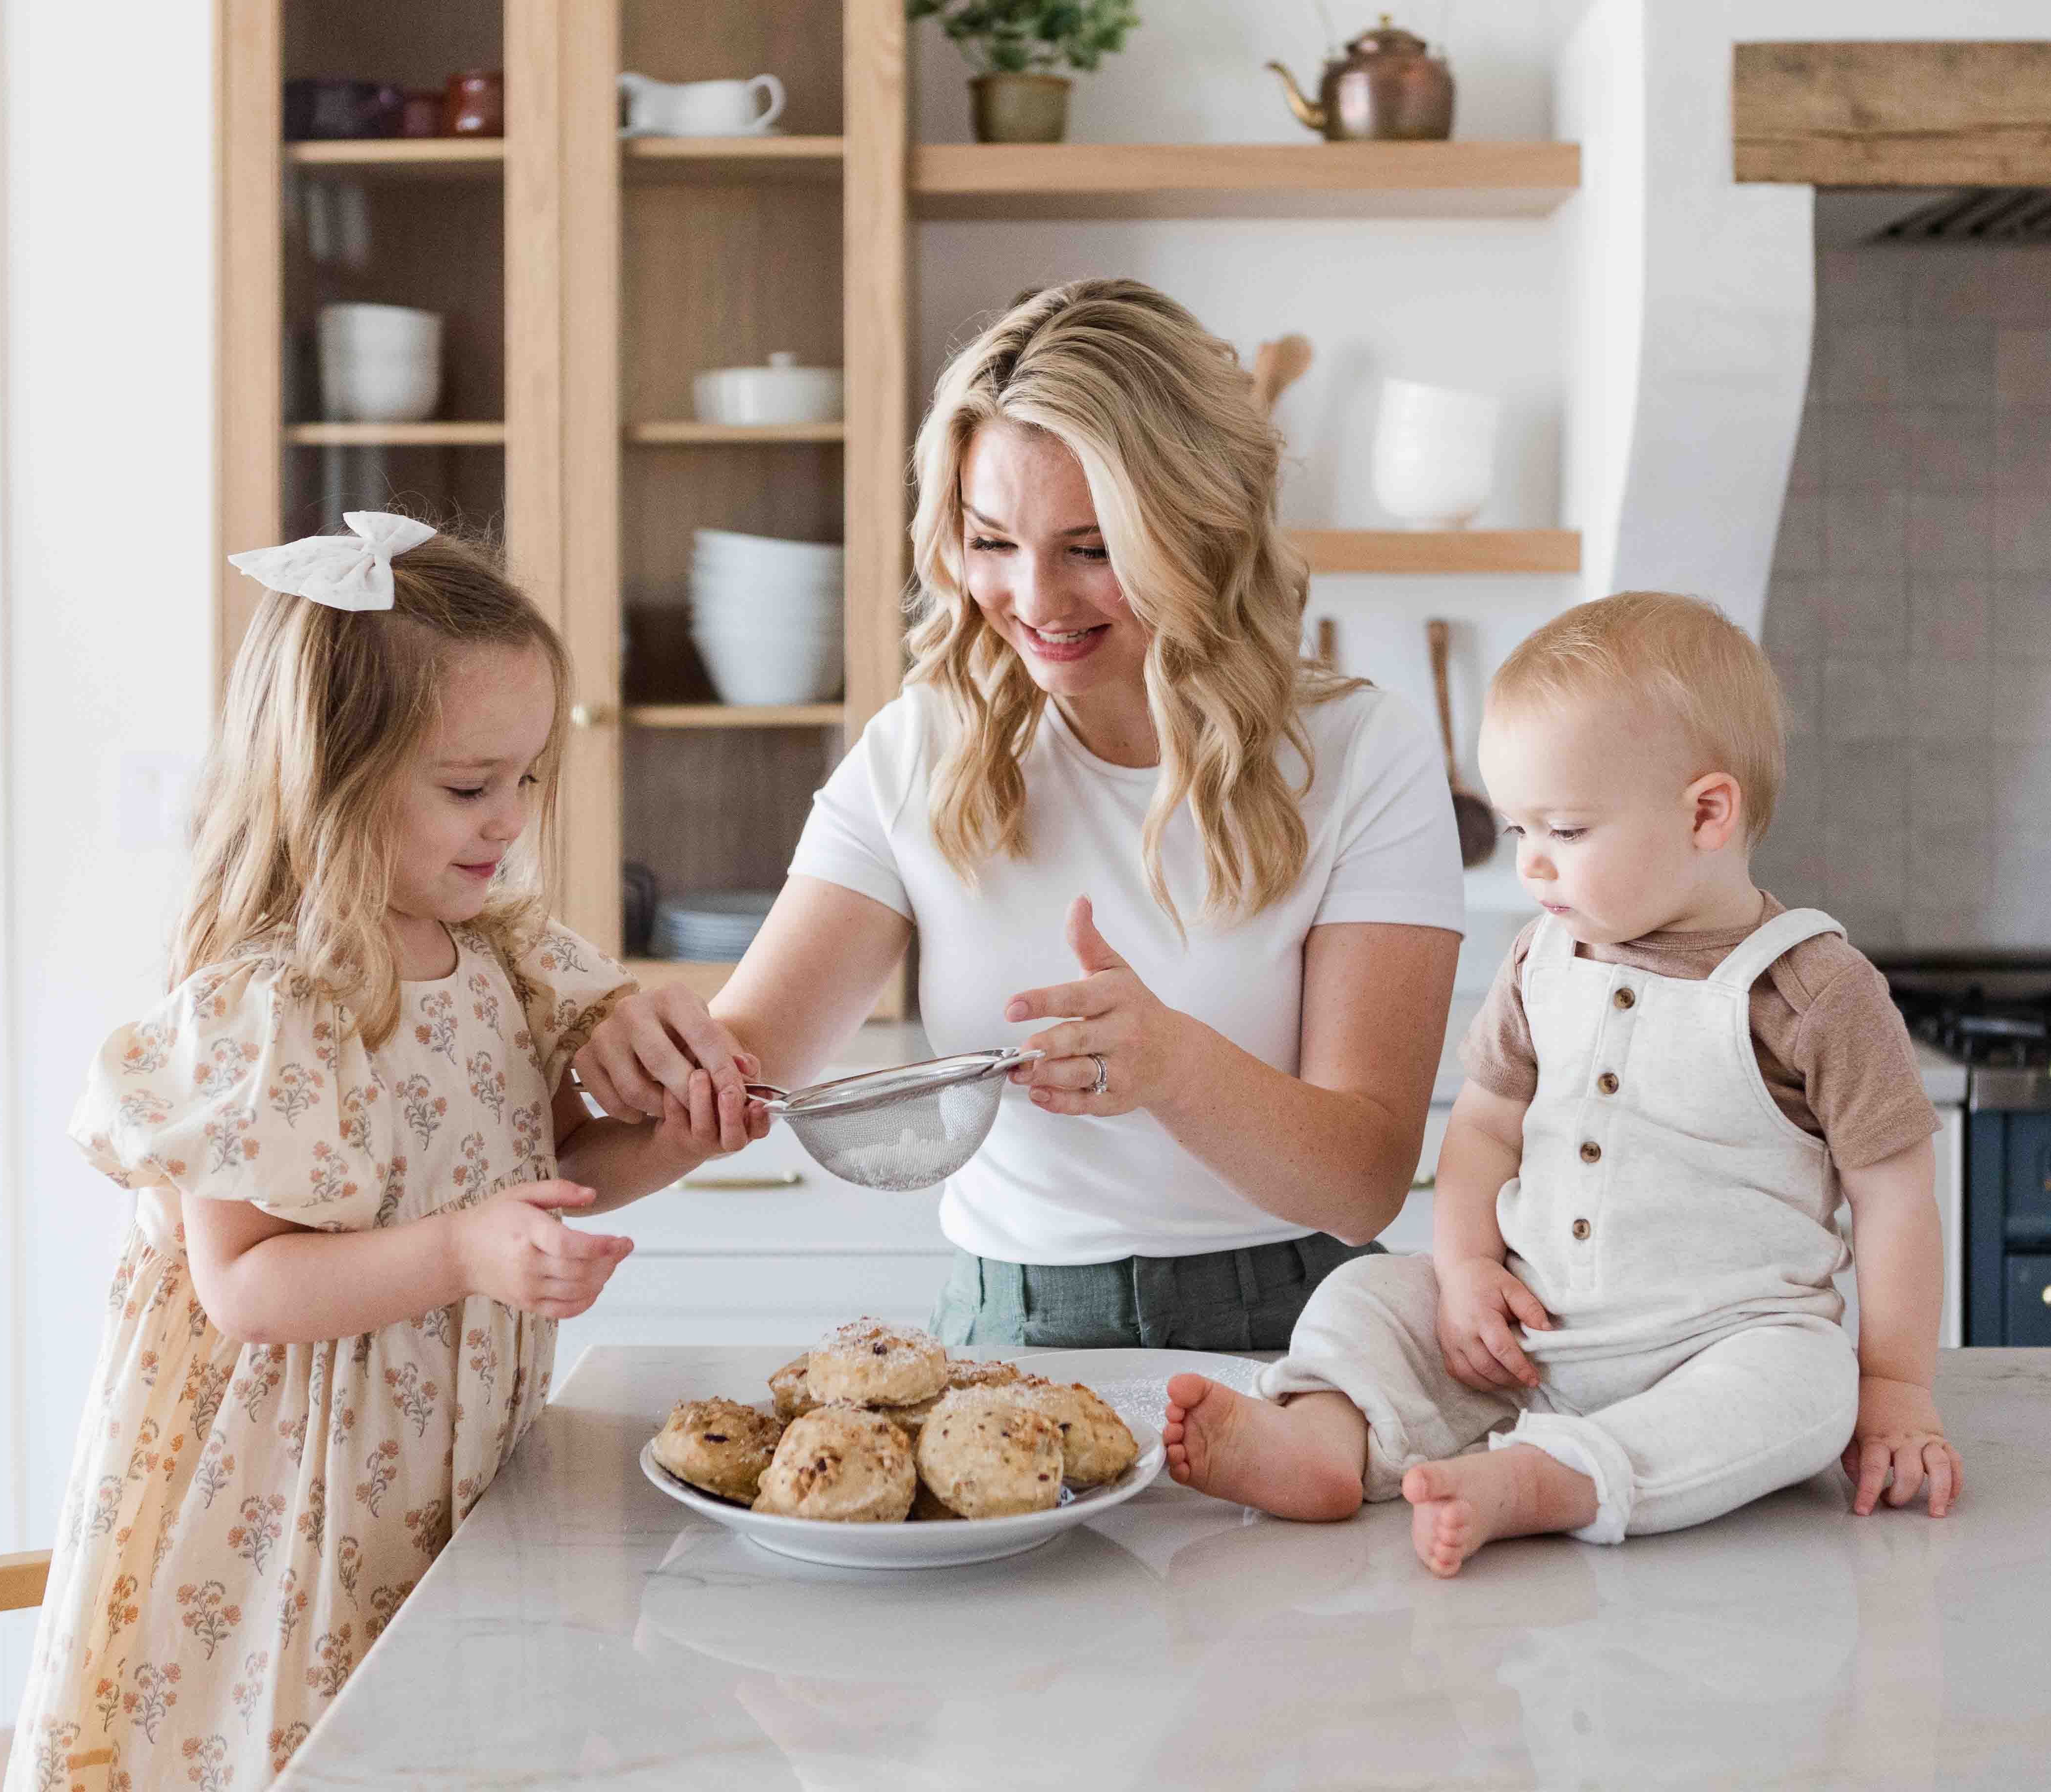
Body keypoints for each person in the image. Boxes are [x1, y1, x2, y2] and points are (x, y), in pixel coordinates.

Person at [5, 515, 760, 1790]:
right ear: (329, 779)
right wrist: (467, 1251)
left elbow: (547, 1170)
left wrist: (672, 1142)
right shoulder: (270, 1006)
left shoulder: (500, 959)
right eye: (469, 787)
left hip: (438, 1478)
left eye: (527, 779)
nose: (510, 822)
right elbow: (246, 1285)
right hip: (295, 1507)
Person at [575, 279, 1466, 1350]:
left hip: (1301, 1335)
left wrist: (1174, 1066)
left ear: (1202, 530)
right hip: (1009, 1335)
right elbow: (744, 1064)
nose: (1036, 601)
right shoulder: (923, 750)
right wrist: (659, 1059)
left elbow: (1363, 1183)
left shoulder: (1363, 754)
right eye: (992, 542)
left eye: (1092, 549)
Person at [1160, 591, 1963, 1574]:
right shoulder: (1538, 962)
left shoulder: (1817, 992)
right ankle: (1325, 1437)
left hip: (1716, 1348)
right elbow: (1486, 1130)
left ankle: (1557, 1482)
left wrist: (1895, 1386)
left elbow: (1897, 1203)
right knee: (1368, 1293)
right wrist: (1463, 1275)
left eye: (1568, 831)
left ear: (1707, 812)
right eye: (1518, 828)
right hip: (1525, 1344)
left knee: (1807, 1387)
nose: (1533, 865)